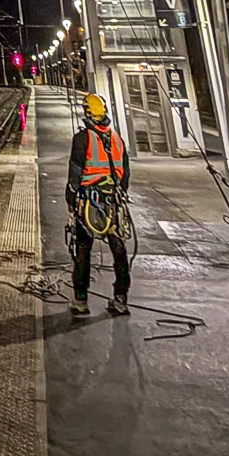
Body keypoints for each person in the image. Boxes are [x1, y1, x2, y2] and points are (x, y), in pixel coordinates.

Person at [66, 92, 129, 316]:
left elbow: (75, 173)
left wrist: (71, 203)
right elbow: (125, 173)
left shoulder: (82, 139)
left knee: (83, 248)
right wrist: (119, 196)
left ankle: (80, 300)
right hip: (112, 201)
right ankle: (121, 298)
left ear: (86, 113)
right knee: (118, 248)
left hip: (88, 202)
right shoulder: (117, 139)